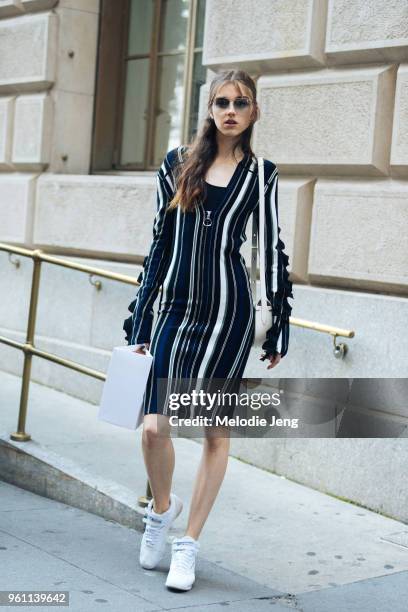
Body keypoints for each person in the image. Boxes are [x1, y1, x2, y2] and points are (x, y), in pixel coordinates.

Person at [124, 69, 294, 591]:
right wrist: (140, 312)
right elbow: (159, 243)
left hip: (229, 316)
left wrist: (280, 321)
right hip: (176, 308)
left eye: (241, 103)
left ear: (254, 112)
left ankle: (188, 544)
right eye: (222, 102)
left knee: (214, 432)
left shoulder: (262, 174)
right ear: (210, 109)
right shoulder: (177, 165)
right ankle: (161, 509)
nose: (230, 111)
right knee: (154, 426)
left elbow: (270, 249)